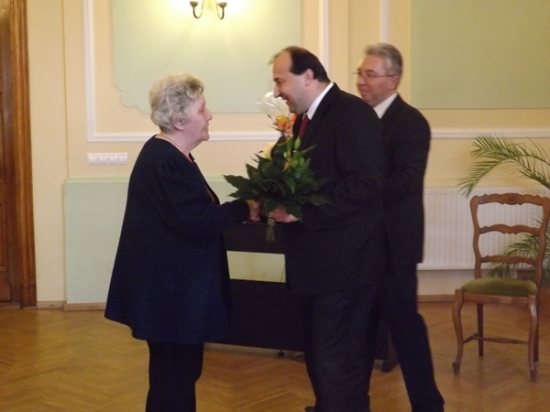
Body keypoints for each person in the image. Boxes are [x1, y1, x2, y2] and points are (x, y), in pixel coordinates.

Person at [104, 73, 259, 412]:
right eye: (202, 109)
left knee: (177, 376)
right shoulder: (165, 160)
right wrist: (244, 207)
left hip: (172, 296)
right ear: (178, 120)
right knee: (173, 381)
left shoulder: (169, 156)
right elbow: (198, 221)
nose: (209, 116)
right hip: (170, 299)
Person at [269, 46, 386, 412]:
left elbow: (365, 186)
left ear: (307, 76)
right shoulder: (303, 121)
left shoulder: (351, 113)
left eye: (280, 81)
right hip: (317, 267)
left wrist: (301, 211)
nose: (276, 91)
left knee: (338, 359)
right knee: (320, 355)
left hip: (345, 267)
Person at [356, 43, 445, 412]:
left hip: (395, 246)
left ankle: (428, 404)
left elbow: (406, 182)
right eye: (360, 73)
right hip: (361, 244)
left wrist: (357, 190)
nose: (361, 81)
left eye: (370, 74)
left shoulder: (411, 123)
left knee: (405, 327)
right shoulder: (357, 118)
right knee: (359, 329)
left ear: (392, 80)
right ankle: (349, 402)